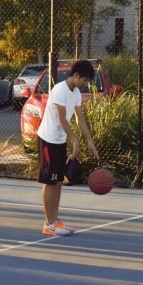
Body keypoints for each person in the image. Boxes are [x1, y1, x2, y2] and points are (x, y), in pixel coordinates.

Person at [36, 59, 99, 237]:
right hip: (48, 140)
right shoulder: (59, 90)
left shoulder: (76, 93)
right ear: (76, 75)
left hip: (60, 141)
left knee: (58, 182)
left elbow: (79, 119)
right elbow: (62, 119)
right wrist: (75, 140)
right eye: (84, 80)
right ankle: (49, 224)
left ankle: (55, 221)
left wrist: (89, 140)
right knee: (50, 182)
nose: (85, 84)